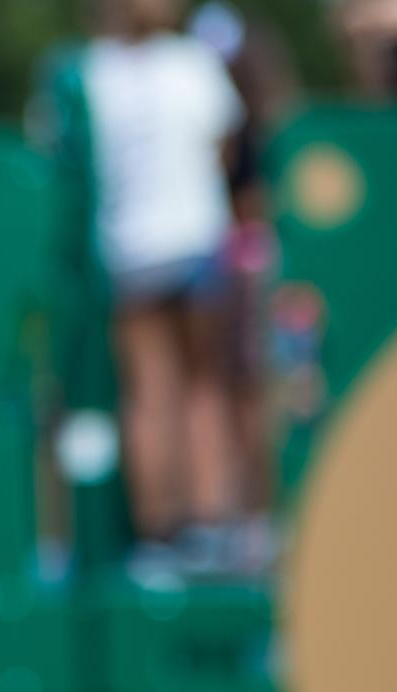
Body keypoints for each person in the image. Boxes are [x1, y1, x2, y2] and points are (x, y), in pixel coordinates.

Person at [80, 0, 250, 582]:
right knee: (206, 383)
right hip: (197, 243)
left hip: (127, 252)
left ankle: (159, 535)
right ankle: (213, 523)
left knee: (149, 391)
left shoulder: (84, 71)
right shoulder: (195, 63)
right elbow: (224, 147)